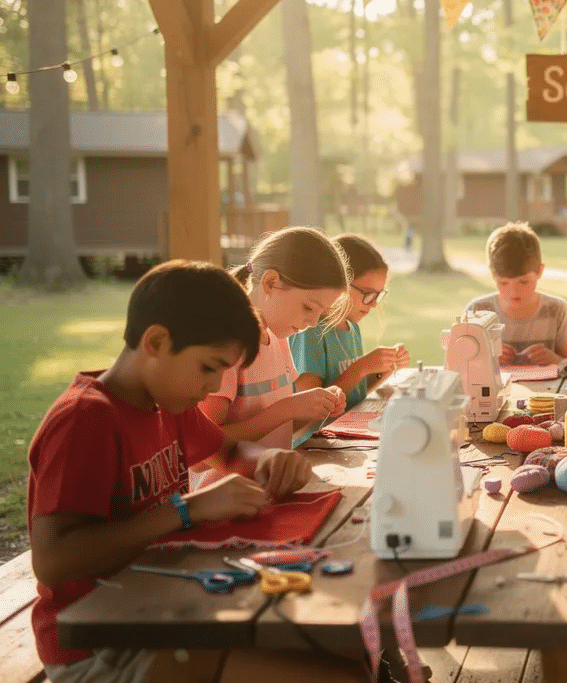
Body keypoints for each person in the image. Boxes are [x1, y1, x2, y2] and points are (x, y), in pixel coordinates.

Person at [26, 261, 315, 682]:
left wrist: (266, 461)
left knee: (315, 653)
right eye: (208, 368)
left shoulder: (168, 403)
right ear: (157, 342)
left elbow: (231, 450)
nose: (213, 385)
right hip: (94, 649)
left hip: (161, 609)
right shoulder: (85, 420)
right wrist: (186, 510)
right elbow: (53, 562)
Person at [199, 227, 348, 456]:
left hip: (272, 482)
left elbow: (280, 427)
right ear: (270, 282)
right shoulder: (225, 343)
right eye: (309, 307)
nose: (312, 321)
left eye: (322, 313)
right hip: (227, 490)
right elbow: (203, 448)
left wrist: (315, 407)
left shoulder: (277, 338)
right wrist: (286, 409)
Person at [291, 233, 409, 411]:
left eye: (378, 296)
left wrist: (382, 370)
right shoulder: (310, 330)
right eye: (368, 294)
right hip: (319, 436)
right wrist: (360, 368)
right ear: (338, 281)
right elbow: (310, 407)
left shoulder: (351, 328)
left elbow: (353, 396)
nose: (375, 304)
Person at [464, 221, 567, 367]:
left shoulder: (557, 310)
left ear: (540, 272)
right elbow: (462, 368)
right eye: (504, 283)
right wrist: (487, 360)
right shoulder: (478, 311)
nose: (514, 292)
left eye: (523, 282)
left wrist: (555, 360)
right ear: (493, 275)